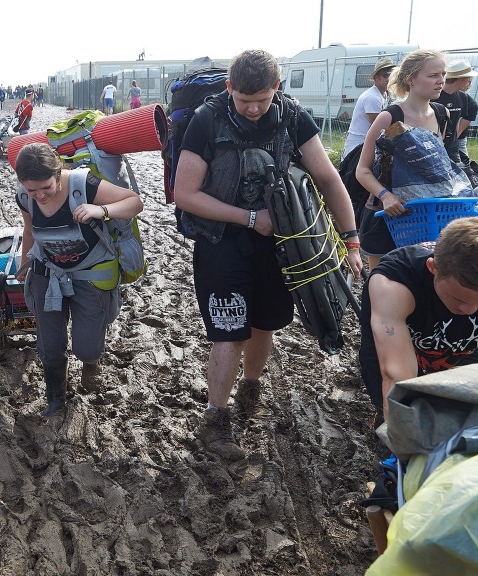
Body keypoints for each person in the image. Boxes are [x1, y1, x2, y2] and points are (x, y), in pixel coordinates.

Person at [174, 49, 362, 461]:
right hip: (222, 244)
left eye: (262, 98)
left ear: (277, 88)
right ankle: (216, 419)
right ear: (229, 89)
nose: (254, 108)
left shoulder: (293, 116)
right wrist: (248, 217)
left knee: (265, 325)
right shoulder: (207, 120)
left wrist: (350, 240)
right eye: (244, 101)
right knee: (230, 330)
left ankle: (251, 387)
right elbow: (184, 194)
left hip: (283, 247)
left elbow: (328, 178)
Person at [12, 142, 144, 417]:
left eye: (46, 187)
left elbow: (135, 202)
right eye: (31, 190)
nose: (40, 196)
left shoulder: (85, 185)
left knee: (87, 348)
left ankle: (90, 364)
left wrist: (101, 211)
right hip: (47, 274)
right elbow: (29, 229)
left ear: (58, 174)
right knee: (49, 346)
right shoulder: (24, 197)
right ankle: (55, 400)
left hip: (91, 274)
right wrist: (23, 264)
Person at [359, 217, 478, 426]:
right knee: (399, 412)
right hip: (400, 340)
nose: (470, 310)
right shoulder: (393, 284)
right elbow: (398, 377)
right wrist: (406, 438)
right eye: (459, 299)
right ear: (433, 267)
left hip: (459, 345)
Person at [356, 50, 461, 270]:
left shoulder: (443, 115)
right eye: (433, 75)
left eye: (443, 74)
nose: (441, 80)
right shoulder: (389, 117)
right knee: (382, 281)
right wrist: (386, 196)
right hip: (388, 215)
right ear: (410, 79)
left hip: (428, 217)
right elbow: (362, 170)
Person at [343, 58, 395, 157]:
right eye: (385, 76)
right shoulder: (372, 97)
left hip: (367, 142)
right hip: (359, 145)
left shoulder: (385, 94)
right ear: (376, 78)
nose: (389, 79)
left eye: (391, 75)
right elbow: (379, 127)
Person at [435, 59, 478, 163]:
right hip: (434, 145)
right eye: (468, 77)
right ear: (460, 79)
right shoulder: (434, 95)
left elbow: (457, 122)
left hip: (452, 149)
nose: (469, 80)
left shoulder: (463, 97)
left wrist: (454, 141)